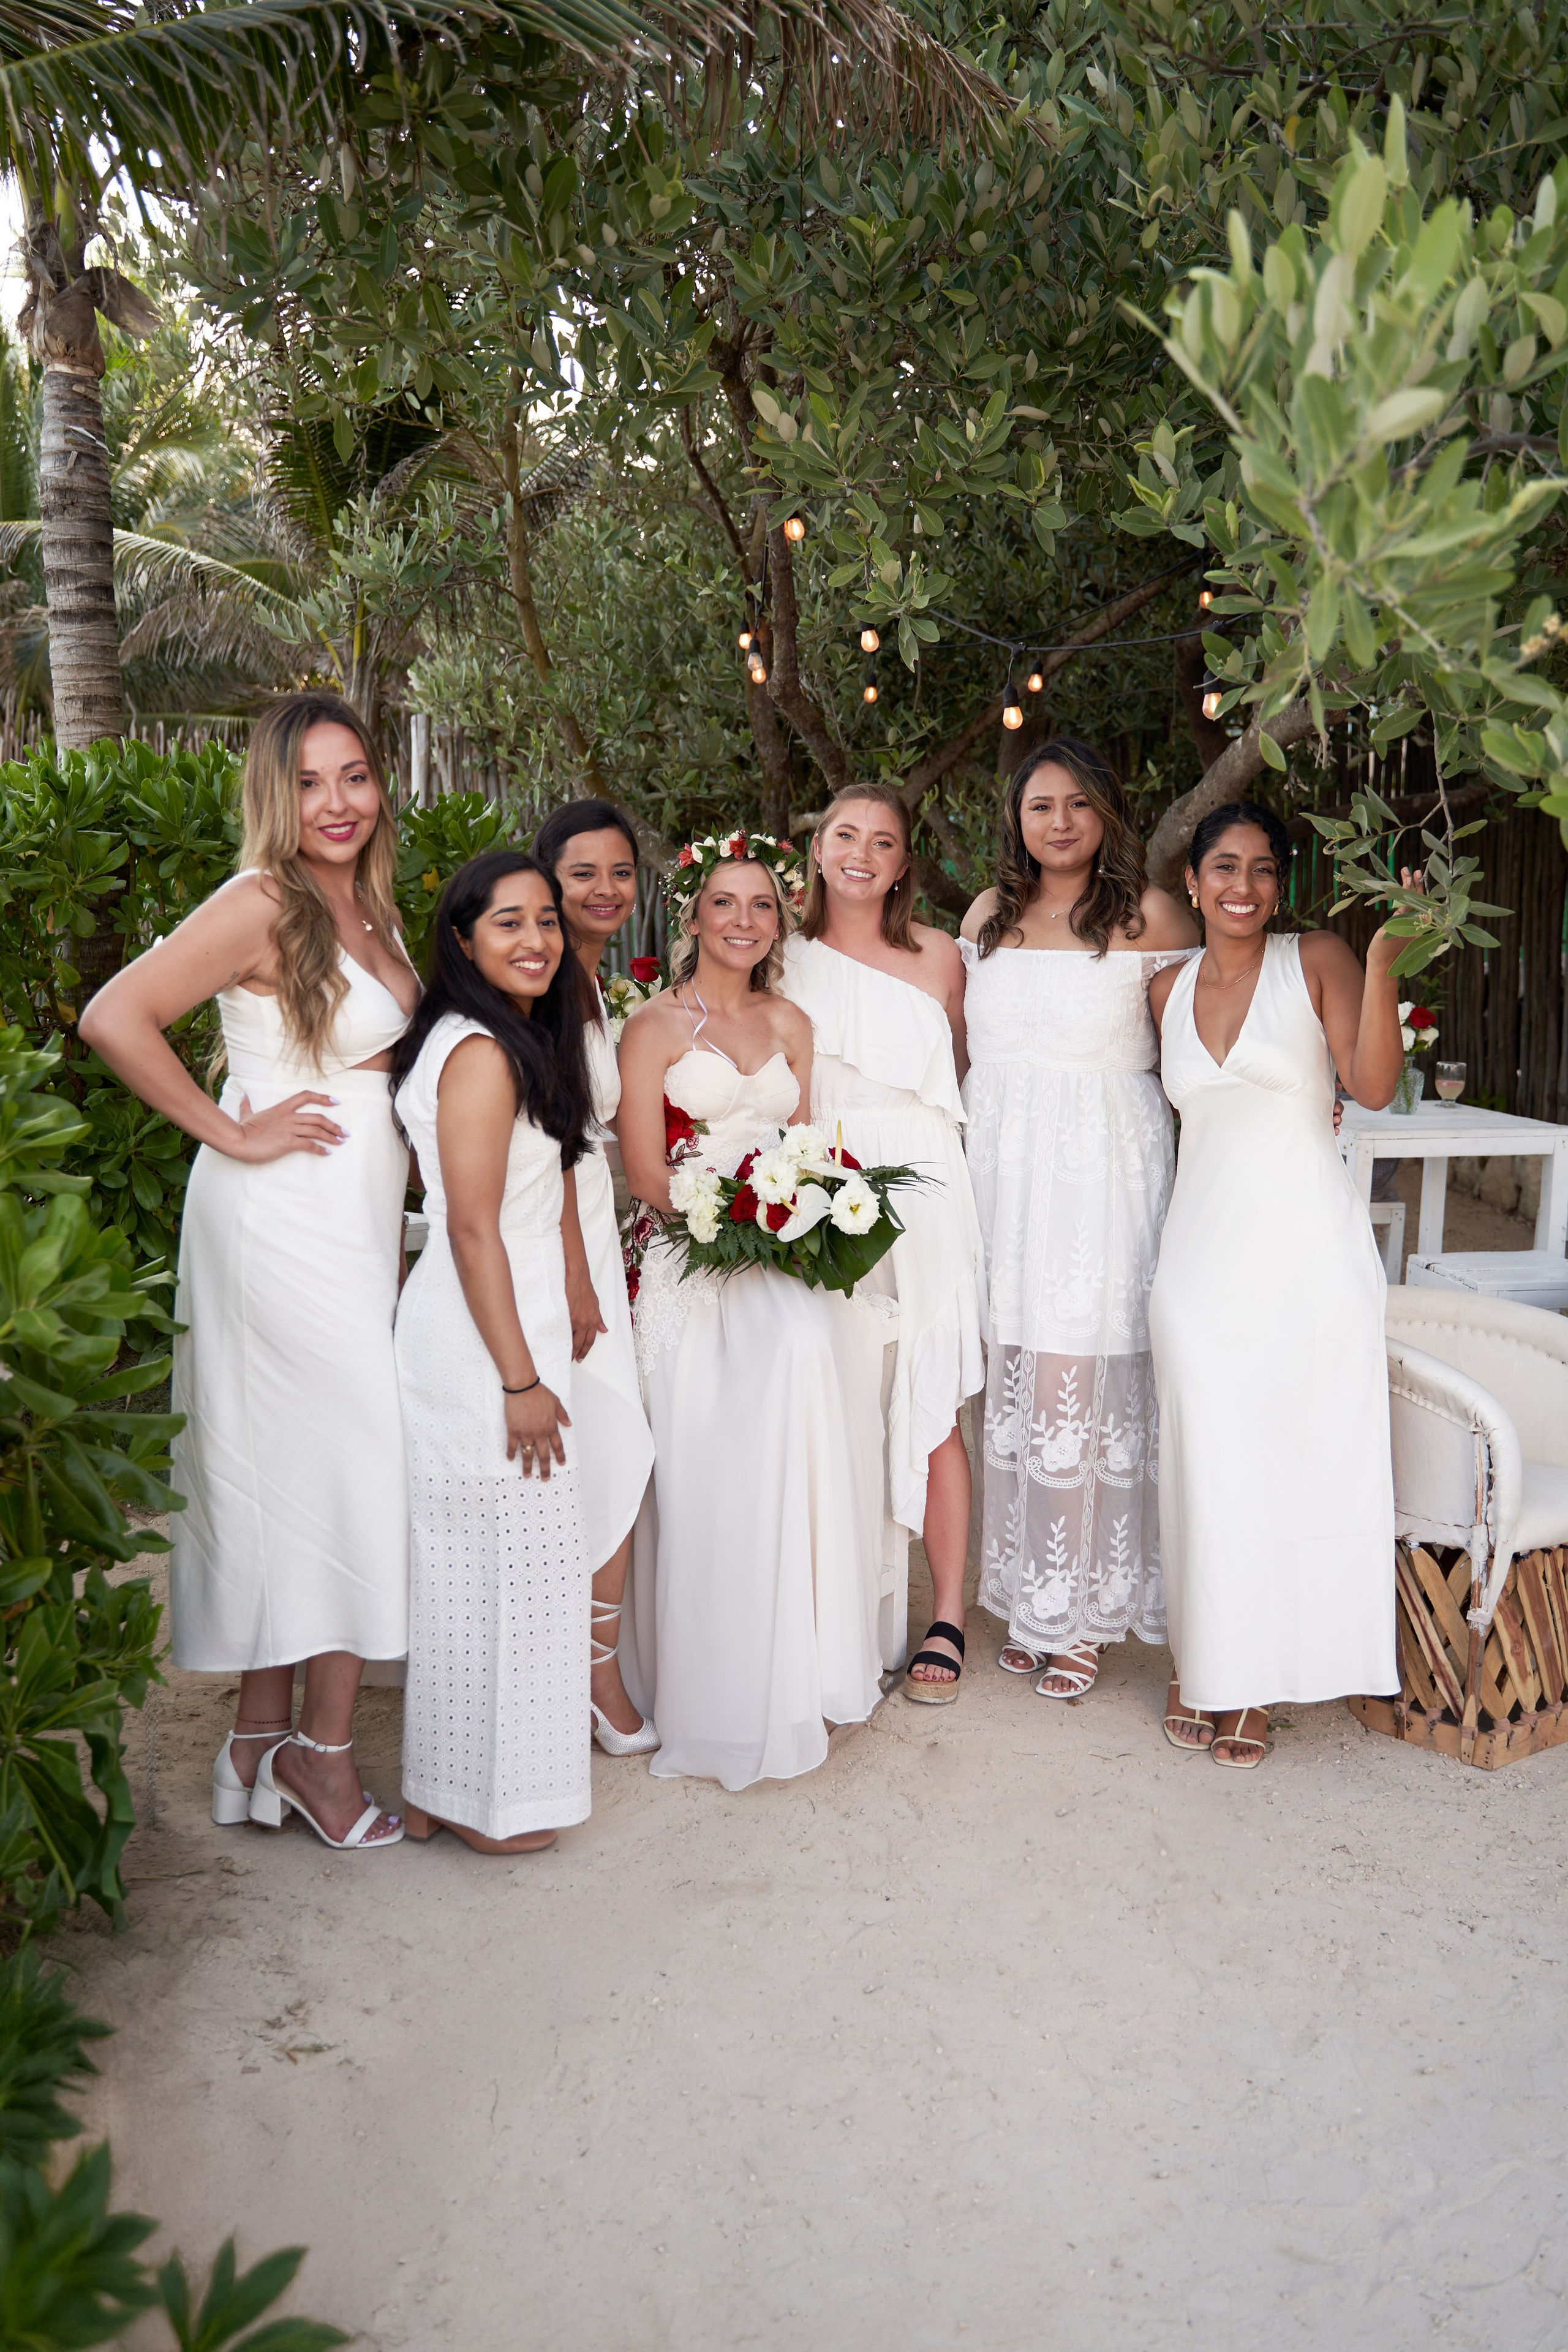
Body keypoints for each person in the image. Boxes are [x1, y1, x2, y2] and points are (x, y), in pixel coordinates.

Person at [80, 693, 414, 1852]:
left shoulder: (363, 903)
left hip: (352, 1221)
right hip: (280, 1222)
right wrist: (231, 1134)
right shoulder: (263, 900)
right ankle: (323, 1761)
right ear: (277, 796)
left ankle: (253, 1745)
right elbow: (116, 1016)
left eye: (356, 777)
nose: (338, 803)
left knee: (298, 1470)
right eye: (313, 783)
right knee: (355, 1461)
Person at [616, 834, 884, 1790]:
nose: (743, 921)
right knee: (718, 1416)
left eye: (762, 904)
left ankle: (802, 1662)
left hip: (779, 1246)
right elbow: (646, 1172)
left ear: (780, 920)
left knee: (809, 1351)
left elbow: (806, 1147)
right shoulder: (649, 1028)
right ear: (690, 917)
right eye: (724, 903)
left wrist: (789, 1216)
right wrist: (721, 1217)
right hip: (688, 1248)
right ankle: (712, 1678)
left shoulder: (792, 1022)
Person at [1148, 801, 1402, 1768]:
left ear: (1281, 882)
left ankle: (1252, 1683)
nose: (1241, 887)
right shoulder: (1162, 991)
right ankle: (1203, 1656)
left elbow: (1371, 1088)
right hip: (1199, 1258)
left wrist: (1381, 968)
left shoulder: (1322, 959)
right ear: (1193, 881)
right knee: (1208, 1460)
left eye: (1261, 869)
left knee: (1294, 1462)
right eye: (1223, 867)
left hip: (1308, 1252)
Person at [960, 740, 1199, 1703]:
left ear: (1107, 812)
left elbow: (1197, 1047)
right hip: (1002, 1173)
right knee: (1016, 1378)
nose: (1057, 822)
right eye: (1038, 806)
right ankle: (1029, 1595)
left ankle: (1086, 1615)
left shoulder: (1151, 917)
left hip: (1101, 1175)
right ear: (1016, 820)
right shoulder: (987, 916)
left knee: (1081, 1385)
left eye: (1076, 805)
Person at [390, 852, 595, 1850]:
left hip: (510, 1319)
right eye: (509, 922)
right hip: (483, 1338)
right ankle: (490, 1806)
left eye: (547, 921)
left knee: (484, 1563)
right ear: (464, 938)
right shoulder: (477, 1053)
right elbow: (468, 1227)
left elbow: (531, 1194)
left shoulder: (499, 1038)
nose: (537, 940)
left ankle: (441, 1787)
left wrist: (575, 1296)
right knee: (507, 1567)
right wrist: (520, 1379)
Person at [780, 783, 986, 1703]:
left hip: (929, 1179)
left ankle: (947, 1616)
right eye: (845, 836)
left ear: (905, 864)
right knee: (842, 1393)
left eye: (885, 841)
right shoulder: (777, 960)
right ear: (818, 850)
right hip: (826, 1180)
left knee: (931, 1396)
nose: (862, 853)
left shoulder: (942, 957)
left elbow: (983, 1075)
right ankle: (838, 1618)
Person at [533, 799, 657, 1756]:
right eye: (584, 873)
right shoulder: (543, 985)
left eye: (620, 872)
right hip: (557, 1244)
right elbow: (557, 1145)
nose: (606, 890)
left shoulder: (586, 981)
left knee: (603, 1453)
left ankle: (585, 1671)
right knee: (612, 1447)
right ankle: (589, 1678)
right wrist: (578, 1281)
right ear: (548, 879)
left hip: (588, 1237)